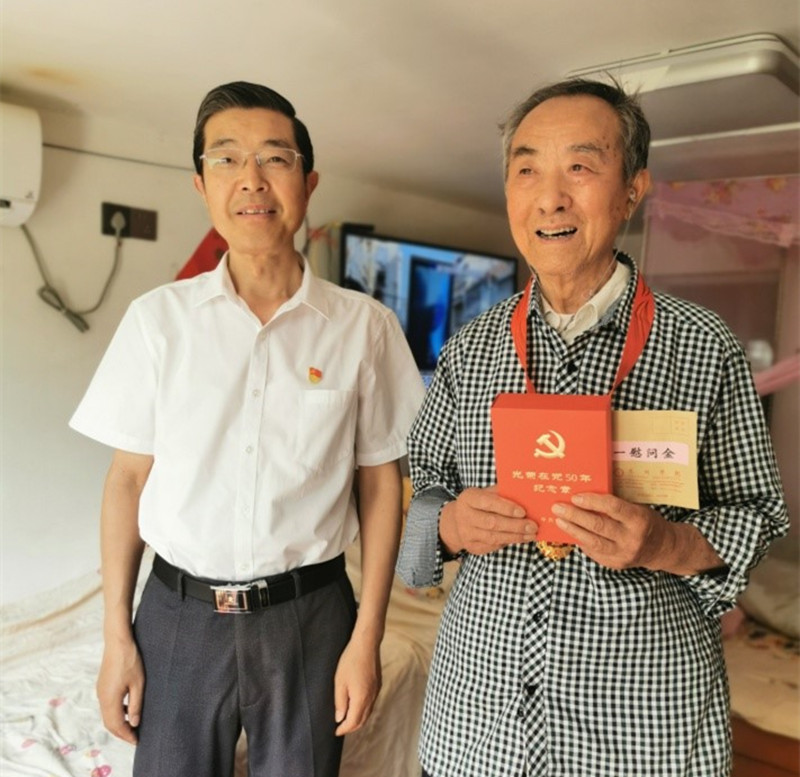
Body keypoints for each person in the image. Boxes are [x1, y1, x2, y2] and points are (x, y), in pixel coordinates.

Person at [396, 78, 788, 777]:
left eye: (580, 166)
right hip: (477, 730)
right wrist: (450, 523)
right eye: (527, 170)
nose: (550, 197)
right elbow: (418, 503)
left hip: (639, 734)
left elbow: (758, 515)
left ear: (633, 190)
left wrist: (666, 542)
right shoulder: (471, 348)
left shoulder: (703, 346)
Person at [70, 81, 425, 777]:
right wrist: (117, 635)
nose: (251, 180)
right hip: (178, 615)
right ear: (201, 185)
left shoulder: (366, 328)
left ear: (308, 182)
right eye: (227, 159)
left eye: (275, 158)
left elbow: (381, 485)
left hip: (311, 616)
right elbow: (128, 481)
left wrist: (367, 637)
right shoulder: (157, 321)